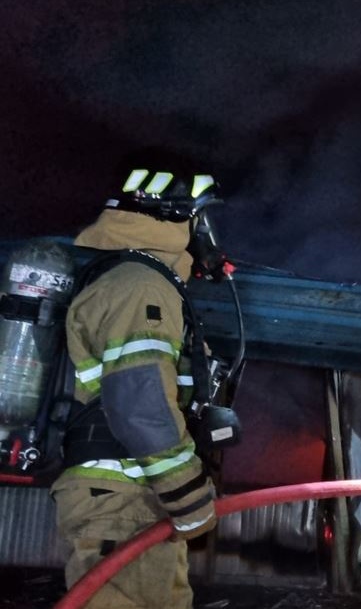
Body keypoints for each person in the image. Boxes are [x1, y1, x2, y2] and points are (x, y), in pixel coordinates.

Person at [52, 161, 225, 608]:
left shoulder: (138, 280)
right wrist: (188, 494)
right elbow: (139, 403)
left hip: (134, 499)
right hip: (122, 500)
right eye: (199, 219)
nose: (206, 233)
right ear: (170, 216)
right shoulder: (140, 286)